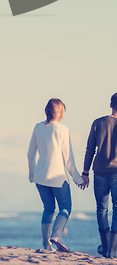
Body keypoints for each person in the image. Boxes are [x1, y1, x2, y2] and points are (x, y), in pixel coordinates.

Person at [81, 92, 117, 258]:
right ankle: (112, 250)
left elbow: (90, 150)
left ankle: (105, 247)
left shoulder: (98, 123)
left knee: (101, 210)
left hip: (100, 172)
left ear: (110, 104)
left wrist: (85, 172)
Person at [28, 98, 84, 252]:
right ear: (61, 112)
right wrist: (78, 179)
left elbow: (30, 154)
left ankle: (47, 245)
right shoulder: (62, 129)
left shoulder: (38, 127)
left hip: (41, 177)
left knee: (48, 209)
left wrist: (32, 174)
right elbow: (69, 159)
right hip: (58, 178)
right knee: (65, 207)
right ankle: (56, 235)